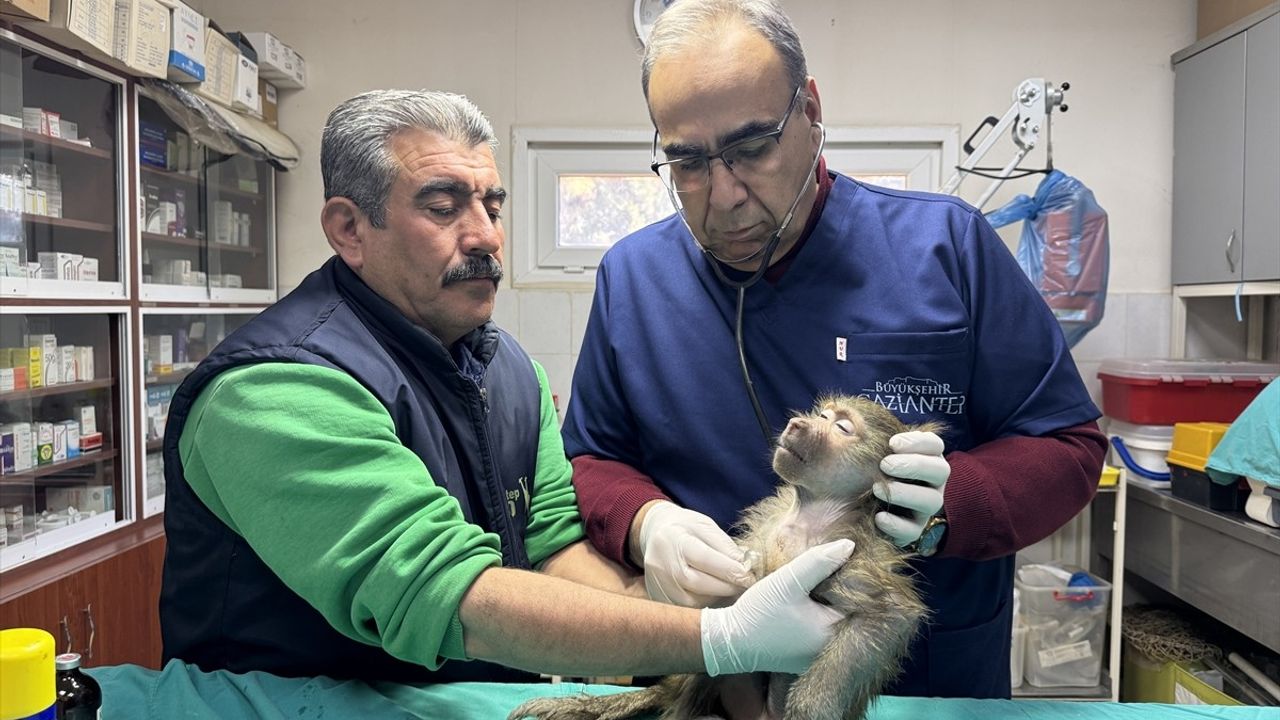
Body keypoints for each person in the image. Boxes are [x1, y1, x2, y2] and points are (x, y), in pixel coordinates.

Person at [158, 89, 855, 685]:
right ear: (349, 229)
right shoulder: (277, 390)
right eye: (443, 206)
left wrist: (681, 604)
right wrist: (718, 641)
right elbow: (449, 596)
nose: (486, 236)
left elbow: (554, 549)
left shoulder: (508, 370)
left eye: (493, 205)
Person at [563, 0, 1108, 699]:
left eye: (753, 147)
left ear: (811, 112)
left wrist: (951, 503)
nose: (723, 195)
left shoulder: (947, 247)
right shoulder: (633, 278)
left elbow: (1067, 446)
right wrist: (646, 522)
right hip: (709, 680)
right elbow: (592, 459)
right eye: (688, 162)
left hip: (922, 687)